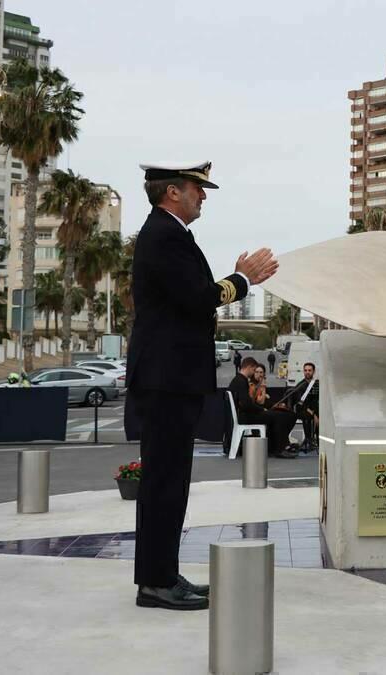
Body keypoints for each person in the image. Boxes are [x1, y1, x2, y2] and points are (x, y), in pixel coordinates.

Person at [126, 160, 278, 612]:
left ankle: (162, 575)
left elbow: (193, 299)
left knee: (170, 481)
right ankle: (155, 581)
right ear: (173, 192)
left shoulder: (170, 234)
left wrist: (232, 282)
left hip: (172, 378)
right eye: (198, 188)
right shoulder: (163, 235)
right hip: (166, 379)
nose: (204, 196)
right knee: (164, 482)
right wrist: (244, 279)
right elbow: (197, 298)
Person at [228, 357, 298, 459]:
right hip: (245, 416)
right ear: (249, 367)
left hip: (244, 414)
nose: (253, 373)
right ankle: (279, 449)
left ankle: (276, 447)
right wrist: (262, 410)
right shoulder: (241, 381)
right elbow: (247, 404)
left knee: (277, 415)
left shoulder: (237, 379)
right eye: (253, 370)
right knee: (278, 416)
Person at [289, 362, 320, 453]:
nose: (307, 372)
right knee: (308, 416)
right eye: (305, 370)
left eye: (309, 370)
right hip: (302, 409)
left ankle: (318, 441)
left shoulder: (316, 384)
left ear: (313, 371)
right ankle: (308, 439)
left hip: (314, 409)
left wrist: (316, 413)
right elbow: (301, 402)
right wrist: (313, 414)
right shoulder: (301, 385)